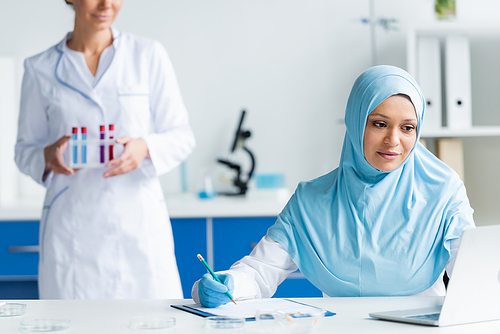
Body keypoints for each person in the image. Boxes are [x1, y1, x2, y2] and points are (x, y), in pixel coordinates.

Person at [191, 65, 475, 307]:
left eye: (408, 127)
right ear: (355, 122)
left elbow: (475, 277)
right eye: (379, 124)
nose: (393, 140)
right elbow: (259, 272)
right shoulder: (312, 200)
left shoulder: (443, 192)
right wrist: (227, 284)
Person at [15, 0, 195, 299]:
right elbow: (24, 150)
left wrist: (145, 146)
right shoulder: (39, 68)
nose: (106, 4)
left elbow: (182, 135)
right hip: (72, 225)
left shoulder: (147, 55)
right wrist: (47, 157)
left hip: (138, 220)